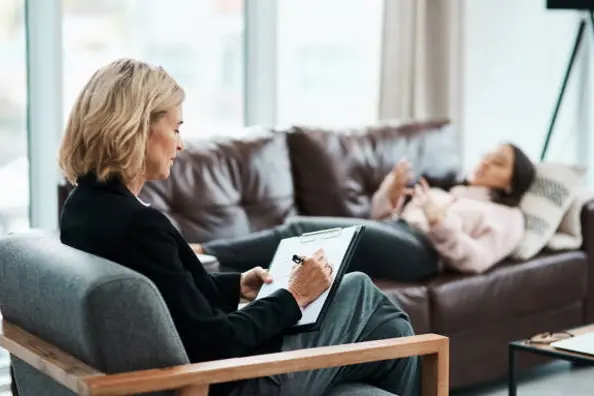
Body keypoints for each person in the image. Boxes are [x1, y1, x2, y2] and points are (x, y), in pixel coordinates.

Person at [57, 58, 420, 396]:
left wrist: (235, 285)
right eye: (176, 128)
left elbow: (163, 297)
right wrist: (294, 296)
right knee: (358, 290)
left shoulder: (84, 206)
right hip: (228, 384)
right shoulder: (139, 226)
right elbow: (215, 341)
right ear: (138, 129)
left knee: (391, 336)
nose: (181, 144)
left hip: (191, 375)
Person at [192, 143, 536, 281]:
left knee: (303, 228)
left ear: (512, 182)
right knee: (306, 248)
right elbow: (381, 221)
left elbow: (475, 261)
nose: (486, 161)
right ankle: (212, 273)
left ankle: (204, 253)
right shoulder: (451, 192)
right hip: (401, 234)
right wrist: (392, 193)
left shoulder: (508, 218)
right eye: (488, 154)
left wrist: (437, 220)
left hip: (424, 254)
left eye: (499, 162)